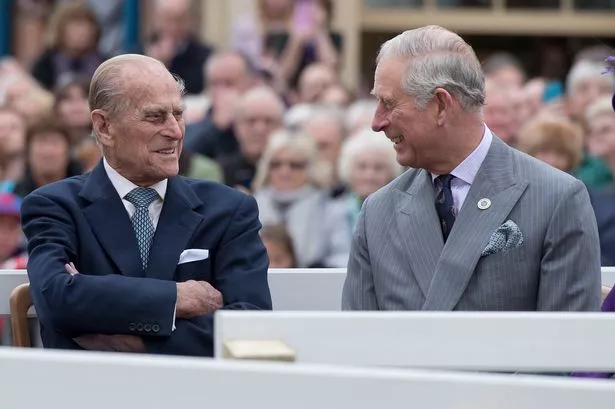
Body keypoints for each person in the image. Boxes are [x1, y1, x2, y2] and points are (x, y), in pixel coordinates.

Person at [21, 54, 272, 356]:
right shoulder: (55, 206)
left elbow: (249, 323)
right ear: (104, 127)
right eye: (155, 117)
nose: (175, 131)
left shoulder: (229, 210)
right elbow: (56, 299)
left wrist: (137, 342)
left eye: (178, 115)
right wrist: (175, 298)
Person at [342, 26, 601, 312]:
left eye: (388, 104)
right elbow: (357, 341)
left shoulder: (556, 199)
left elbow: (565, 346)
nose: (376, 122)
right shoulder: (378, 213)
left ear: (441, 105)